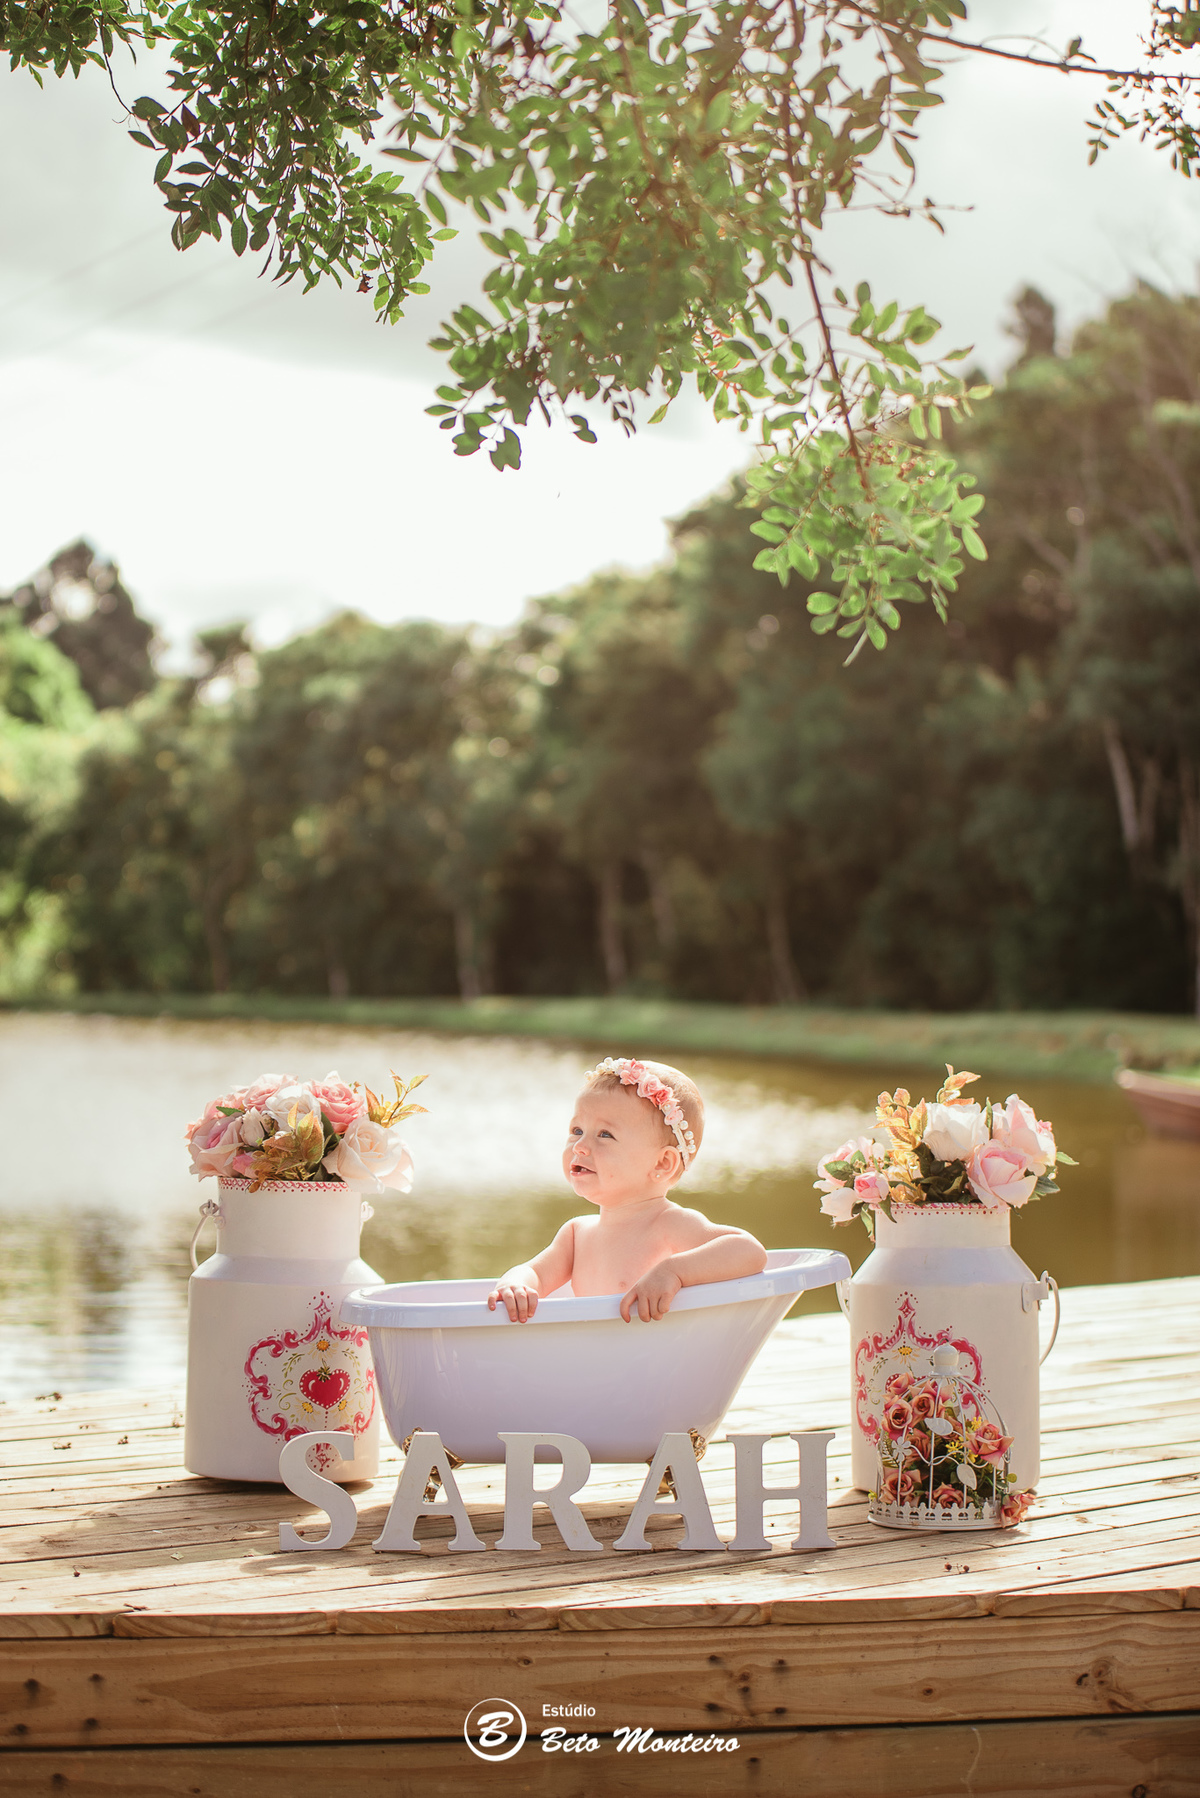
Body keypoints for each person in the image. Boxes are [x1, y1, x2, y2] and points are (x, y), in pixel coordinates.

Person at [488, 1056, 767, 1324]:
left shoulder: (668, 1224)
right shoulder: (576, 1235)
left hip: (655, 1354)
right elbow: (535, 1273)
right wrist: (516, 1283)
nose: (580, 1146)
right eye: (577, 1130)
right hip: (594, 1353)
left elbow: (749, 1251)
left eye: (605, 1135)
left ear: (662, 1163)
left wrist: (674, 1271)